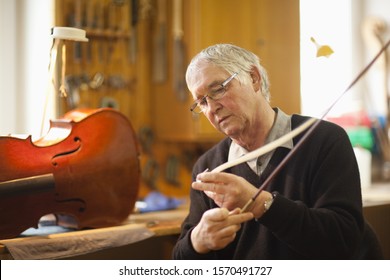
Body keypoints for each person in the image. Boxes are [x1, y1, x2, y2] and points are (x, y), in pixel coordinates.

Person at [172, 43, 383, 259]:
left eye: (217, 89)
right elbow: (181, 261)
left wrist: (259, 203)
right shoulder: (210, 166)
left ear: (254, 78)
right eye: (201, 101)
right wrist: (198, 240)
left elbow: (343, 240)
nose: (211, 107)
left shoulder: (324, 140)